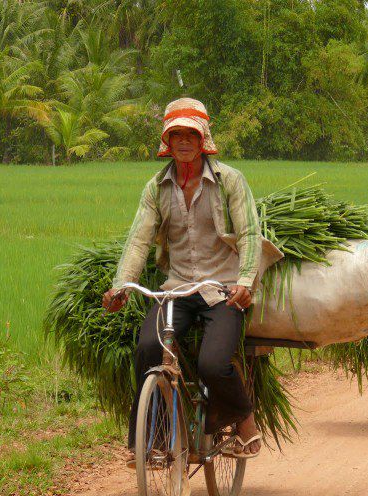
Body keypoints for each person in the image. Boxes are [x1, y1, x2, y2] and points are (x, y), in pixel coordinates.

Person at [102, 97, 265, 463]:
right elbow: (138, 240)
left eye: (190, 134)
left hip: (221, 291)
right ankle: (153, 440)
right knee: (146, 348)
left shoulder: (229, 181)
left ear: (203, 137)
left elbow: (250, 234)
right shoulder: (156, 188)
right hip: (175, 291)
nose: (184, 141)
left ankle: (243, 416)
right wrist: (122, 285)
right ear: (167, 142)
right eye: (176, 135)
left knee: (212, 364)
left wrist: (245, 281)